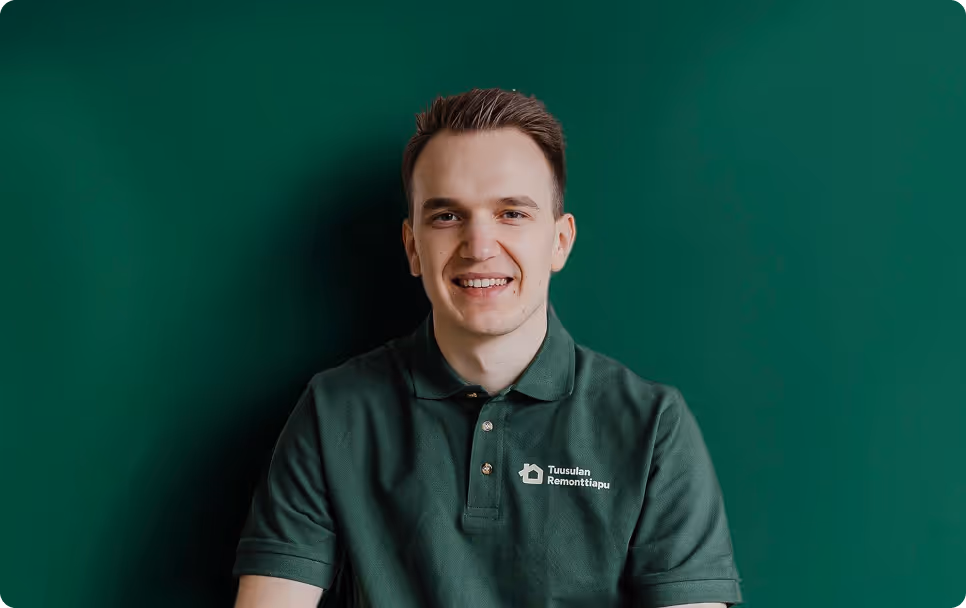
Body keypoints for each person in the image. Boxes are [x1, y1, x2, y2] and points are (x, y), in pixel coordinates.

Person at [232, 88, 743, 607]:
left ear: (559, 241)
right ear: (413, 247)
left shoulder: (653, 426)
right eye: (447, 216)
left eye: (512, 214)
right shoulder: (333, 409)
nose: (478, 246)